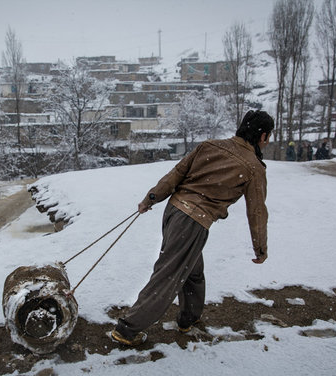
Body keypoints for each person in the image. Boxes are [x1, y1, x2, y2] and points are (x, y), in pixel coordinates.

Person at [110, 110, 274, 346]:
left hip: (174, 211)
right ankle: (126, 330)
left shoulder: (210, 146)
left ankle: (189, 318)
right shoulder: (253, 168)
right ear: (263, 136)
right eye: (268, 137)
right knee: (169, 274)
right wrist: (261, 248)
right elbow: (257, 211)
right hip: (194, 221)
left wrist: (152, 198)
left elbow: (176, 174)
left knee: (192, 270)